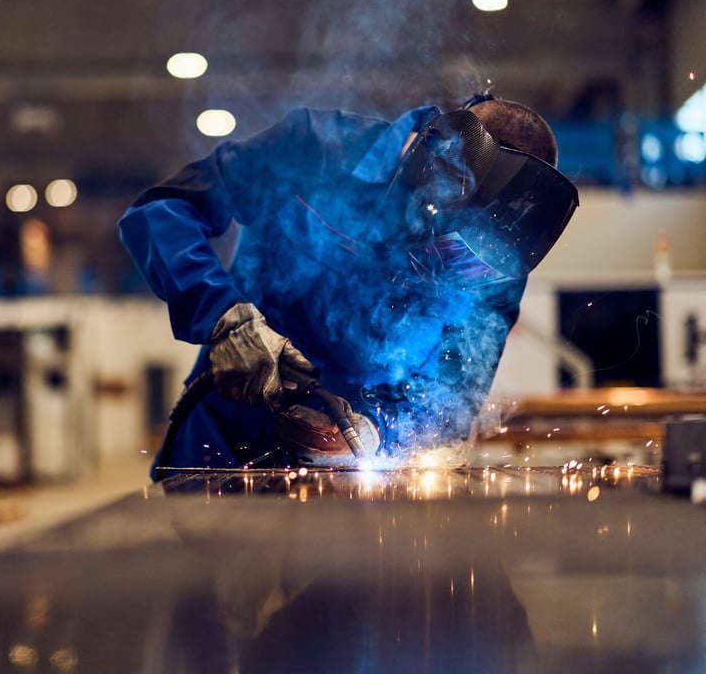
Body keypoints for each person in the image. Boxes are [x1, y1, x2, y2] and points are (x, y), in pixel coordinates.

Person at [119, 93, 578, 478]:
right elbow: (161, 213)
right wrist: (222, 316)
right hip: (227, 424)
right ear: (440, 172)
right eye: (445, 244)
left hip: (345, 463)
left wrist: (377, 432)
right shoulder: (318, 151)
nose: (449, 264)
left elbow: (453, 394)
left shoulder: (497, 258)